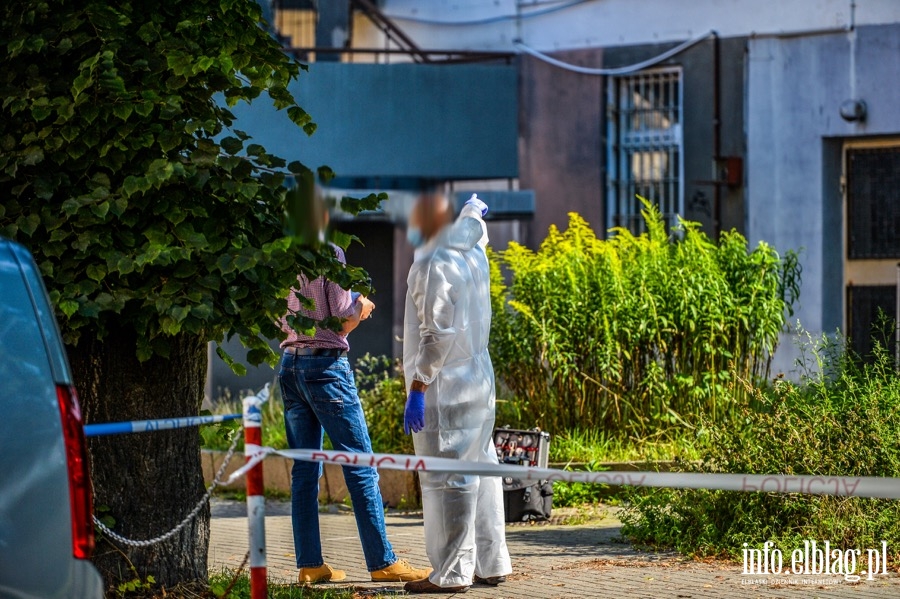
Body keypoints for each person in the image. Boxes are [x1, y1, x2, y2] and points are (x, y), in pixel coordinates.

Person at [278, 196, 431, 585]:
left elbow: (286, 317)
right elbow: (341, 322)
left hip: (290, 365)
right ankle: (383, 562)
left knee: (304, 470)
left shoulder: (277, 257)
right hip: (325, 367)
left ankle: (310, 564)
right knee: (359, 464)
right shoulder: (329, 253)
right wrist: (363, 306)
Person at [401, 193, 513, 594]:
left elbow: (435, 334)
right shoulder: (469, 249)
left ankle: (450, 572)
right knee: (483, 472)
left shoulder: (433, 262)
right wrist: (474, 210)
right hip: (479, 381)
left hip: (444, 387)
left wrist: (418, 386)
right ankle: (491, 561)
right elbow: (476, 227)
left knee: (448, 481)